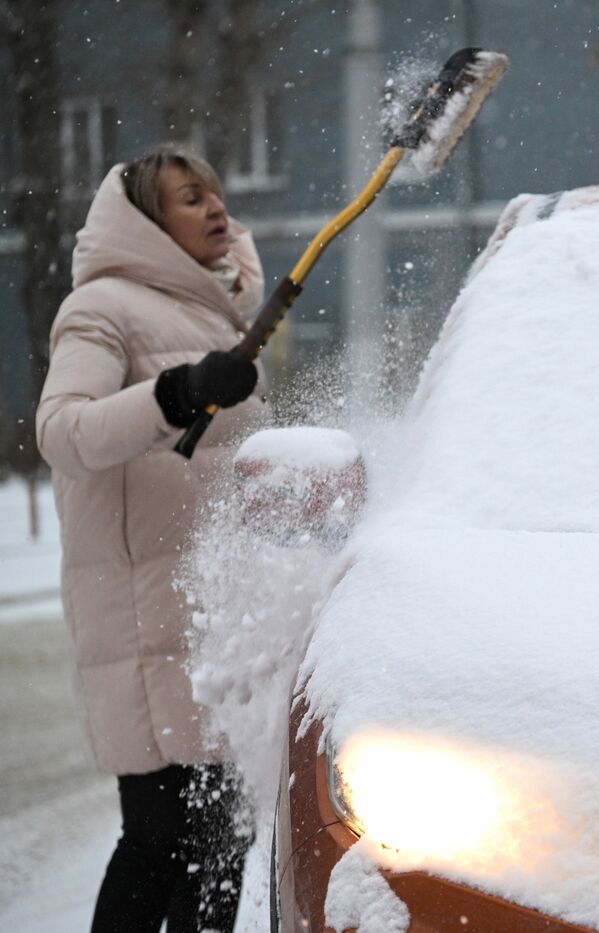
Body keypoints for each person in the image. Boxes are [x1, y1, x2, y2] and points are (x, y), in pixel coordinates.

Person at [37, 144, 267, 933]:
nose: (216, 209)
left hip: (211, 623)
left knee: (219, 844)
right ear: (145, 223)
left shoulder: (215, 310)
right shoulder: (101, 309)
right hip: (143, 622)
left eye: (215, 192)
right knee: (164, 839)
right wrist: (179, 390)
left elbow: (216, 467)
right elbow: (63, 432)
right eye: (189, 197)